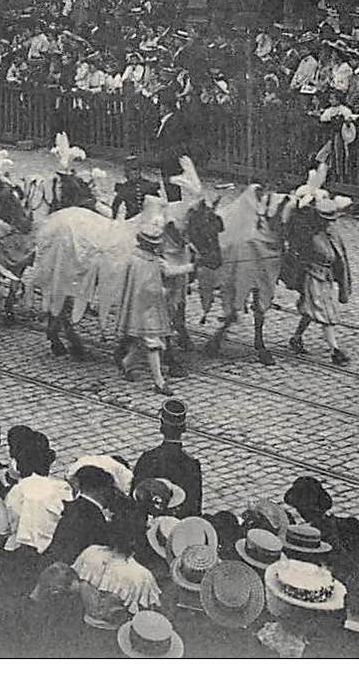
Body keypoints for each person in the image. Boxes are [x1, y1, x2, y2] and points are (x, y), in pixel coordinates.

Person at [110, 214, 184, 396]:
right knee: (153, 343)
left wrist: (192, 267)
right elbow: (152, 284)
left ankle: (127, 364)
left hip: (141, 307)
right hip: (147, 308)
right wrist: (163, 291)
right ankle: (159, 382)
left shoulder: (140, 259)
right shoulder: (144, 261)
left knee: (139, 341)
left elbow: (169, 271)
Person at [287, 195, 353, 365]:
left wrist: (341, 278)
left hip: (327, 278)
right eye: (325, 219)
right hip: (313, 277)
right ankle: (335, 350)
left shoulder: (331, 233)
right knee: (325, 312)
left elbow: (339, 256)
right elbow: (298, 255)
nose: (329, 222)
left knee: (311, 311)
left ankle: (296, 337)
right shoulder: (307, 234)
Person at [131, 398, 202, 517]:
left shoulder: (148, 458)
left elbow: (135, 497)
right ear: (184, 427)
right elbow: (195, 506)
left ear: (161, 427)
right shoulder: (191, 464)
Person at [112, 155, 160, 220]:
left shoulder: (149, 185)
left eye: (136, 169)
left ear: (140, 171)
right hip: (131, 222)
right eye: (131, 170)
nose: (135, 173)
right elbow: (115, 207)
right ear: (127, 173)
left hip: (147, 221)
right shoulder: (123, 188)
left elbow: (158, 204)